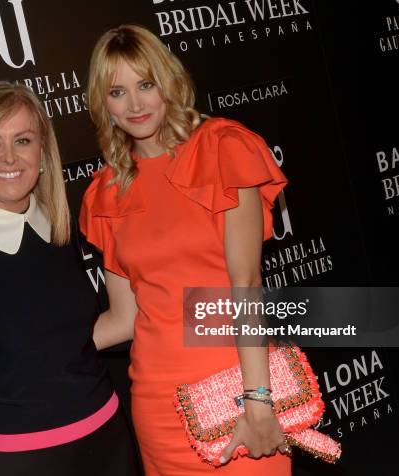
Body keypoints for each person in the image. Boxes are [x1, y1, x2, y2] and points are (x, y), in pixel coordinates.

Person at [80, 25, 290, 475]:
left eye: (145, 84)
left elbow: (246, 282)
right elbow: (124, 318)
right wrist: (36, 350)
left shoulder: (221, 148)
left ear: (168, 83)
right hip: (159, 406)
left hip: (238, 390)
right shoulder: (106, 193)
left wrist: (257, 400)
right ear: (103, 104)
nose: (134, 105)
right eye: (118, 91)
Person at [0, 81, 139, 476]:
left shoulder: (60, 229)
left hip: (108, 438)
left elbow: (82, 338)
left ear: (42, 152)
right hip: (22, 460)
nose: (8, 157)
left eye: (22, 140)